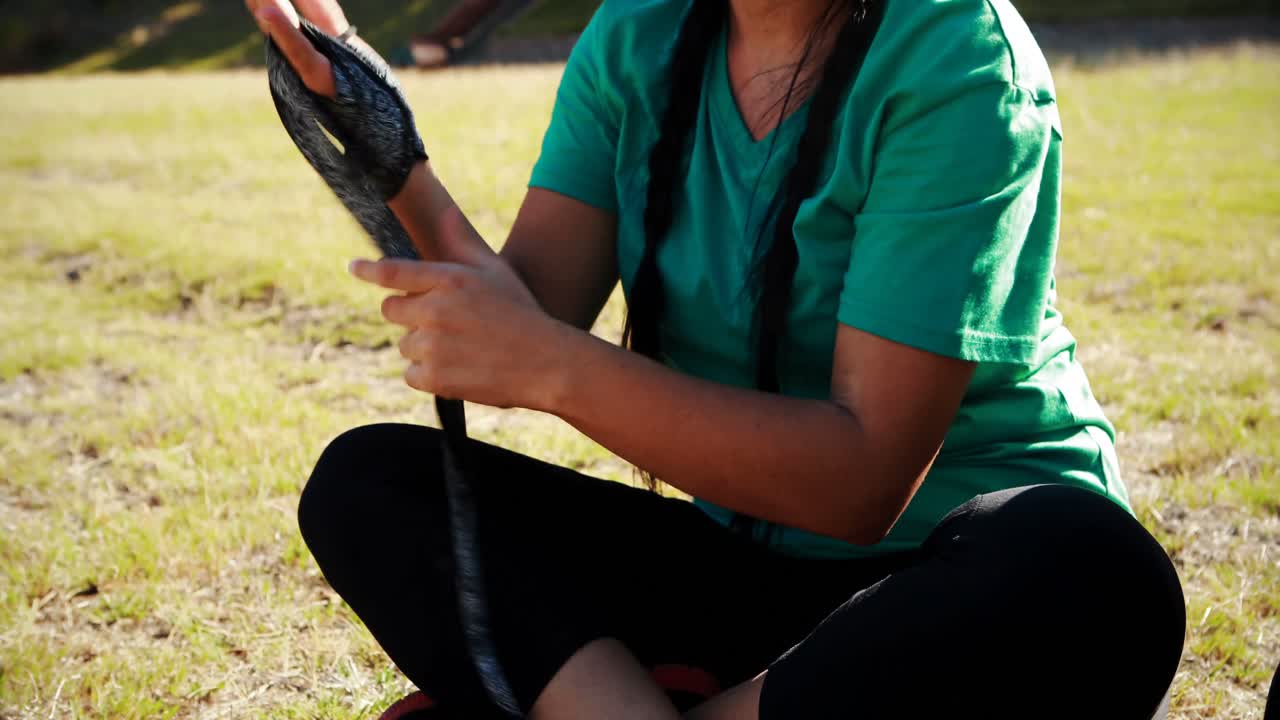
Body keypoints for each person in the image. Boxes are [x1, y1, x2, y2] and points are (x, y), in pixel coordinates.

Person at [248, 0, 1187, 717]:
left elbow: (861, 485)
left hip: (940, 591)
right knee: (369, 484)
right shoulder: (639, 31)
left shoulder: (957, 55)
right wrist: (379, 133)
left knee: (1093, 570)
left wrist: (554, 367)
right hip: (742, 580)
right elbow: (527, 315)